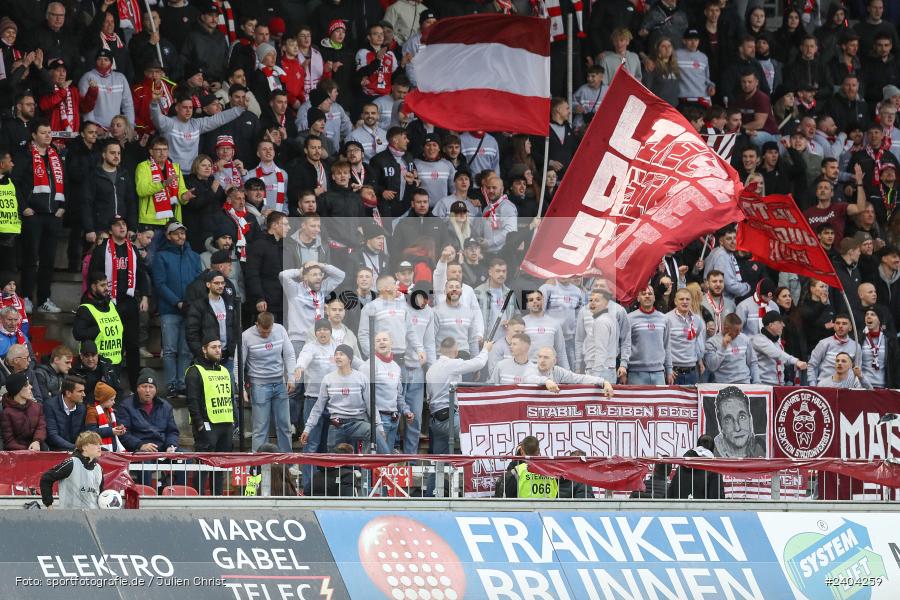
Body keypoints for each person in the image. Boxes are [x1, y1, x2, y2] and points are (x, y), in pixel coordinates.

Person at [301, 344, 381, 452]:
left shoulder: (361, 378)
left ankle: (379, 463)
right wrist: (307, 428)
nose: (337, 357)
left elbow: (370, 405)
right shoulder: (328, 379)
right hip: (336, 425)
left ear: (350, 359)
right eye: (336, 354)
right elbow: (318, 407)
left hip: (357, 423)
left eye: (341, 354)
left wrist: (379, 426)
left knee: (374, 433)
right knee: (335, 462)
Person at [153, 221, 202, 396]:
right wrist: (177, 302)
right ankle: (171, 384)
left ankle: (182, 383)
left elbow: (199, 282)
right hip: (170, 310)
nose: (180, 236)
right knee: (170, 350)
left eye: (182, 233)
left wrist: (192, 303)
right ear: (168, 236)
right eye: (176, 233)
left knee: (186, 350)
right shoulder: (161, 256)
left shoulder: (194, 256)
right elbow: (159, 284)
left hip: (190, 310)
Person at [185, 336, 233, 494]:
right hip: (207, 425)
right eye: (214, 347)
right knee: (203, 467)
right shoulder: (194, 371)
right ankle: (198, 499)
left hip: (225, 424)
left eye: (219, 346)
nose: (218, 350)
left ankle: (217, 498)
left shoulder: (225, 370)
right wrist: (199, 424)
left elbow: (230, 397)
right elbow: (192, 400)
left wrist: (234, 422)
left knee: (218, 468)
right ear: (204, 349)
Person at [241, 312, 295, 452]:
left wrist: (291, 377)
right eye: (262, 332)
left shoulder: (280, 330)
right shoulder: (246, 336)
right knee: (260, 428)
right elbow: (238, 363)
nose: (266, 335)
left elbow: (289, 354)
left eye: (269, 331)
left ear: (273, 325)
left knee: (285, 425)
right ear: (256, 324)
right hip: (259, 384)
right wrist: (241, 387)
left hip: (279, 382)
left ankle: (287, 463)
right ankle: (258, 466)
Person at [360, 331, 411, 454]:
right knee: (370, 461)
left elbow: (398, 394)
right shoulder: (368, 366)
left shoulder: (396, 367)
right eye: (378, 341)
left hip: (394, 419)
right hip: (377, 419)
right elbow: (366, 398)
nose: (382, 342)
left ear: (391, 343)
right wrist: (377, 424)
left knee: (385, 462)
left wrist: (406, 410)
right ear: (374, 346)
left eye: (385, 339)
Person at [39, 431, 104, 509]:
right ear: (84, 447)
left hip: (93, 517)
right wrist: (49, 504)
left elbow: (100, 494)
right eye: (95, 444)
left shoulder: (98, 469)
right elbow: (46, 478)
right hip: (71, 517)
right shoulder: (71, 463)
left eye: (99, 444)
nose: (99, 447)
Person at [622, 286, 672, 384]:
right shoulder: (629, 318)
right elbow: (624, 345)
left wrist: (669, 370)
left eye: (650, 294)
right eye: (643, 294)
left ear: (654, 298)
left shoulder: (664, 319)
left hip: (659, 373)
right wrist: (623, 367)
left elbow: (667, 346)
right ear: (638, 298)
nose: (647, 296)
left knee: (660, 400)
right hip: (636, 373)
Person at [752, 312, 808, 386]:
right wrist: (796, 361)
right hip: (764, 385)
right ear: (771, 325)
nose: (783, 325)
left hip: (779, 385)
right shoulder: (758, 339)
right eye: (780, 322)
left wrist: (795, 364)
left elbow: (783, 359)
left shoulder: (776, 340)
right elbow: (777, 354)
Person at [704, 313, 760, 384]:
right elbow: (712, 367)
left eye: (740, 330)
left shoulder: (745, 339)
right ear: (726, 328)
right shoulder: (712, 342)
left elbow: (753, 362)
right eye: (736, 330)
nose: (739, 333)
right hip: (723, 386)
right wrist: (723, 347)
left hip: (744, 383)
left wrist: (757, 382)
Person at [711, 386, 765, 458]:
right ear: (720, 424)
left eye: (742, 417)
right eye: (728, 420)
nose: (737, 428)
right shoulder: (711, 453)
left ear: (750, 417)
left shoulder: (764, 446)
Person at [666, 288, 706, 384]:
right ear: (675, 301)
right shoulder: (666, 319)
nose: (685, 302)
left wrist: (700, 361)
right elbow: (662, 345)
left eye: (687, 299)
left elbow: (696, 341)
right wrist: (667, 369)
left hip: (693, 371)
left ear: (691, 301)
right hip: (674, 372)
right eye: (681, 299)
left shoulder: (697, 320)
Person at [807, 314, 860, 383]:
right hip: (825, 387)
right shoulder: (823, 343)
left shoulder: (856, 346)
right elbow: (812, 365)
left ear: (850, 328)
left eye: (844, 324)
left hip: (846, 388)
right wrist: (813, 385)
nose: (840, 326)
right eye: (837, 323)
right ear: (834, 326)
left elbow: (858, 370)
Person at [0, 373, 46, 451]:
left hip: (37, 447)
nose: (31, 387)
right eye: (26, 385)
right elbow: (9, 440)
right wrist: (27, 451)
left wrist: (37, 441)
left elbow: (41, 427)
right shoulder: (6, 413)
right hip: (17, 452)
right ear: (18, 389)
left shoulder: (37, 407)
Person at [668, 434, 722, 499]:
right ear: (712, 450)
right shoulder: (713, 470)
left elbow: (670, 494)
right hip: (702, 508)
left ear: (697, 446)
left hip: (681, 508)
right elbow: (716, 499)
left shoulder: (680, 468)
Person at [43, 375, 87, 451]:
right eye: (80, 391)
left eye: (83, 391)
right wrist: (74, 447)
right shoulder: (50, 405)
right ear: (68, 393)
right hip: (54, 451)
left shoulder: (82, 408)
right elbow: (52, 435)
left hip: (75, 450)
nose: (84, 395)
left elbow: (82, 433)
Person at [860, 308, 900, 388]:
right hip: (862, 387)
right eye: (867, 314)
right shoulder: (859, 338)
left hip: (884, 387)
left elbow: (896, 366)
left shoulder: (890, 340)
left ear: (879, 320)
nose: (868, 316)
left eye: (872, 314)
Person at [84, 381, 125, 451]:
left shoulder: (110, 411)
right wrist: (112, 431)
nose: (114, 402)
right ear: (103, 399)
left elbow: (114, 427)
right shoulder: (92, 412)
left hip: (112, 448)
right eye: (111, 400)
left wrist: (119, 428)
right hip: (98, 450)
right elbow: (91, 432)